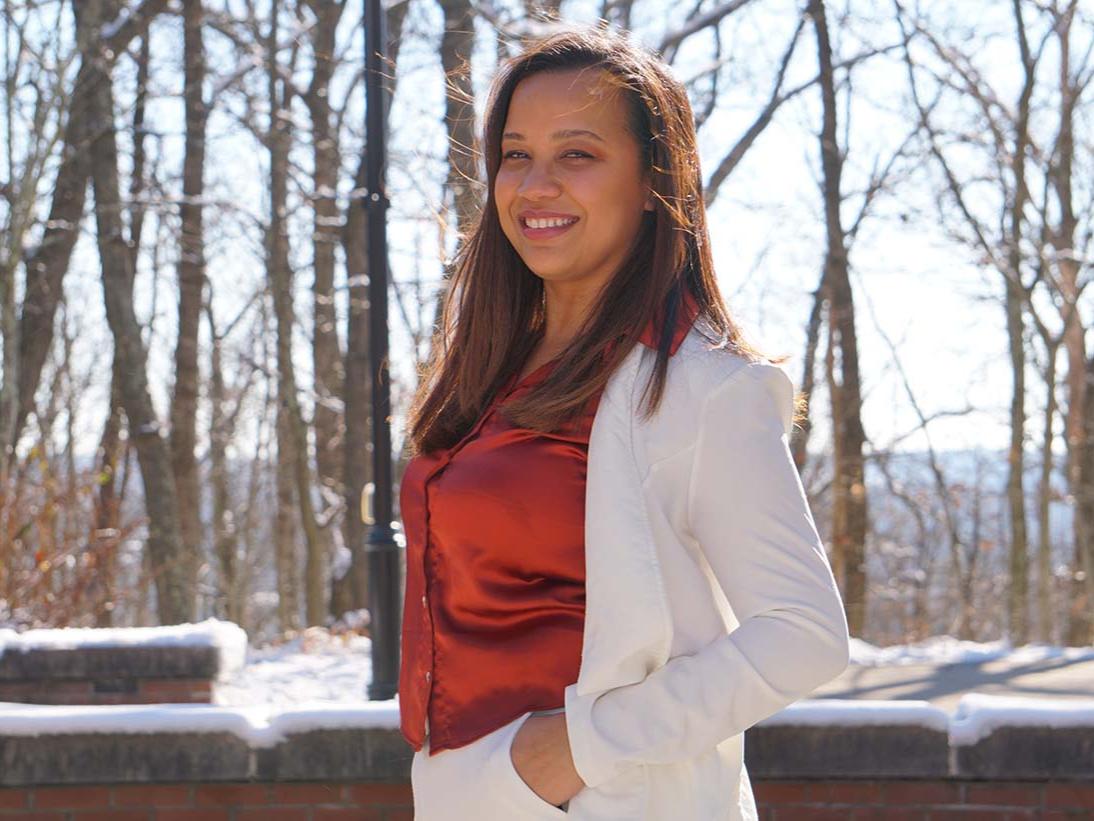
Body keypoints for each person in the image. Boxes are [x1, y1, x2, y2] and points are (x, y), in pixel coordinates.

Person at [397, 22, 850, 821]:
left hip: (605, 796)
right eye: (514, 154)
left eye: (577, 154)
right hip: (466, 792)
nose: (535, 184)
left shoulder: (701, 384)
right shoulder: (494, 370)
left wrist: (576, 747)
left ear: (651, 181)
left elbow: (804, 633)